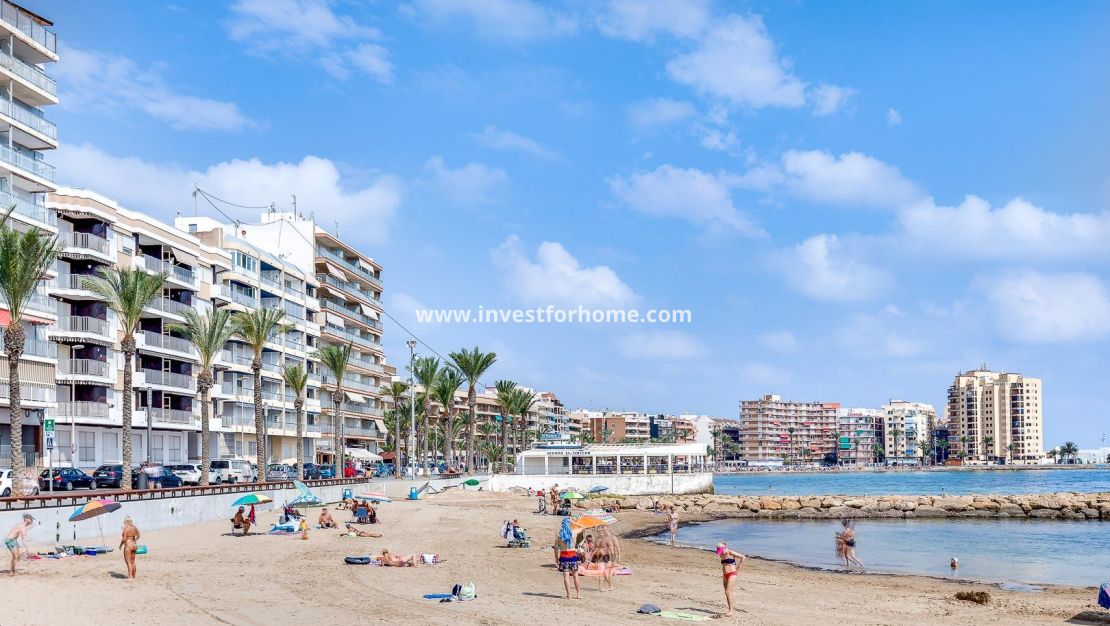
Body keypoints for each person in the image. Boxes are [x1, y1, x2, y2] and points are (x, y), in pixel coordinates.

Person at [716, 541, 746, 617]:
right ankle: (730, 609)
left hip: (732, 574)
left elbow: (743, 557)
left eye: (721, 550)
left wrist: (738, 568)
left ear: (725, 547)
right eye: (719, 550)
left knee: (727, 591)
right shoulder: (721, 554)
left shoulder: (729, 552)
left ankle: (731, 611)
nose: (721, 553)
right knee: (727, 592)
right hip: (725, 575)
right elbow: (725, 564)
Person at [554, 517, 580, 599]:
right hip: (573, 556)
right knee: (576, 576)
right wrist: (574, 523)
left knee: (566, 576)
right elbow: (582, 527)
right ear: (569, 524)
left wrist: (556, 559)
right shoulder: (574, 533)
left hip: (564, 556)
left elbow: (556, 549)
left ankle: (569, 595)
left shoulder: (558, 536)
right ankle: (578, 594)